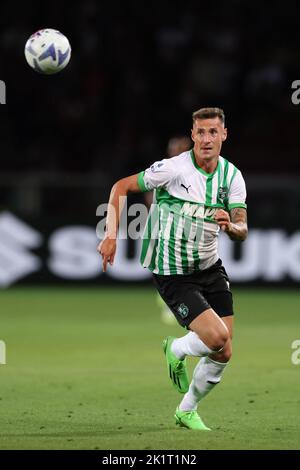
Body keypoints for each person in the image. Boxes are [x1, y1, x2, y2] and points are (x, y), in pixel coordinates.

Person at [97, 107, 248, 430]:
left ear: (224, 135)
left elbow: (242, 228)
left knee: (224, 351)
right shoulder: (172, 169)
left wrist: (231, 227)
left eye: (213, 132)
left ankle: (186, 410)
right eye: (201, 132)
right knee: (216, 337)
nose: (207, 138)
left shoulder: (232, 177)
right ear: (193, 136)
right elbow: (120, 187)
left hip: (209, 267)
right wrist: (110, 236)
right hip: (173, 271)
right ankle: (176, 348)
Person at [144, 135, 191, 325]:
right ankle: (169, 304)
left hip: (185, 226)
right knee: (165, 267)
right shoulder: (164, 169)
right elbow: (149, 195)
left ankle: (181, 302)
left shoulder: (190, 172)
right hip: (163, 225)